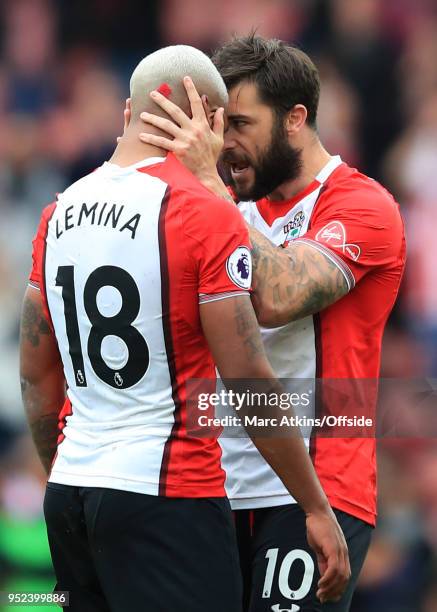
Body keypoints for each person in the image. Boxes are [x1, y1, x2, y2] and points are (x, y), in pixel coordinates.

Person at [19, 44, 350, 612]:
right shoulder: (201, 211)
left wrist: (69, 475)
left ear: (130, 112)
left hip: (72, 492)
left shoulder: (57, 213)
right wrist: (315, 507)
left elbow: (34, 372)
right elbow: (247, 379)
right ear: (212, 124)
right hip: (168, 496)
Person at [134, 34, 406, 611]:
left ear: (295, 119)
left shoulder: (363, 206)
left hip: (318, 493)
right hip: (211, 487)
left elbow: (277, 296)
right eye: (216, 126)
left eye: (240, 125)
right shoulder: (229, 203)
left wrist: (207, 186)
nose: (225, 146)